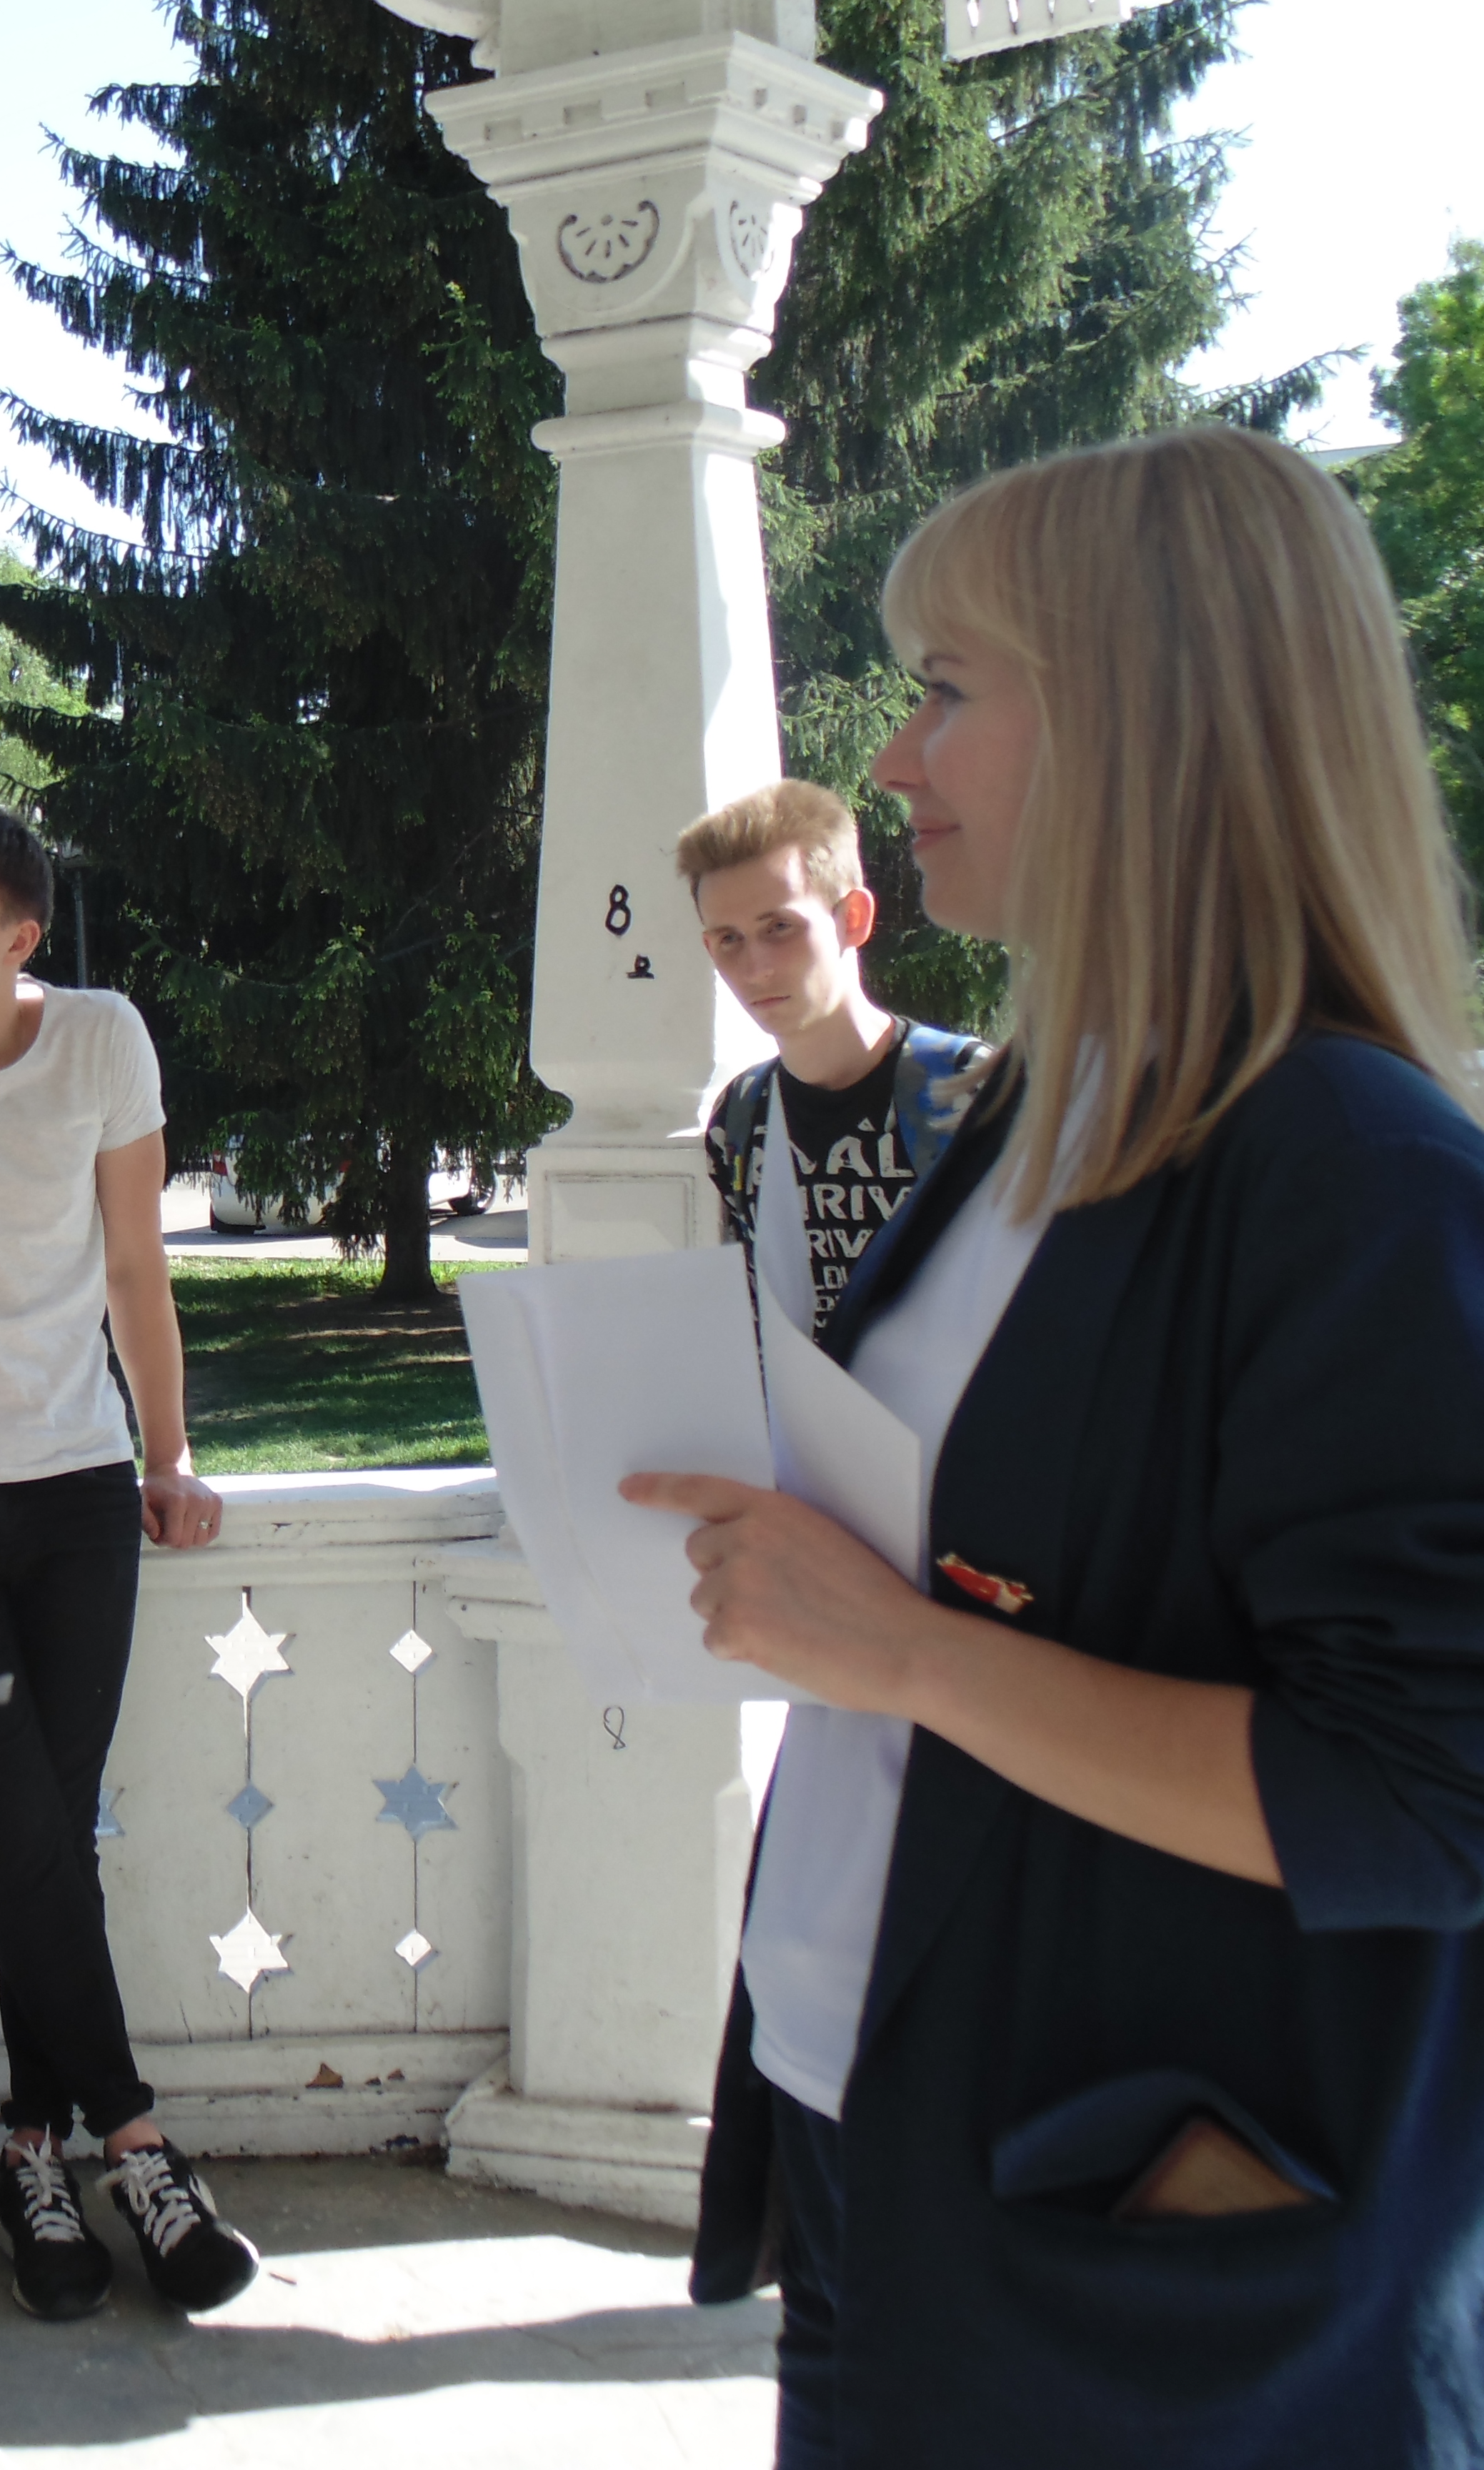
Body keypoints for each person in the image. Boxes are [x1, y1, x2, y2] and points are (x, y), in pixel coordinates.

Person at [624, 427, 1484, 2466]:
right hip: (876, 2140)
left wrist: (903, 1649)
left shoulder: (1348, 1167)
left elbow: (1432, 1791)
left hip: (1147, 2266)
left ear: (1146, 721)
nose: (894, 758)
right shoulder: (1037, 1107)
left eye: (948, 689)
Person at [0, 808, 259, 2321]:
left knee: (48, 1836)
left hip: (80, 1494)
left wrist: (170, 1454)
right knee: (25, 1822)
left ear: (22, 935)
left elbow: (136, 1263)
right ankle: (136, 2143)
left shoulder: (100, 1040)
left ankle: (31, 2152)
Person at [682, 780, 988, 1333]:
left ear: (853, 919)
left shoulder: (972, 1088)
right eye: (729, 939)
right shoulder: (740, 1121)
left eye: (779, 927)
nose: (755, 969)